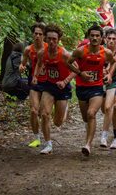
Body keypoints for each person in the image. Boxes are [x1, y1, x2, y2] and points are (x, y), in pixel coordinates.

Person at [66, 24, 115, 156]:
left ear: (101, 38)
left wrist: (108, 73)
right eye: (92, 35)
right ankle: (89, 135)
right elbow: (68, 63)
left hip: (97, 88)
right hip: (82, 88)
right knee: (86, 118)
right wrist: (80, 73)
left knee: (91, 113)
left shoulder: (106, 53)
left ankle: (88, 145)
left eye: (97, 36)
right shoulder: (80, 51)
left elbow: (113, 61)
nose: (94, 38)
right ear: (88, 36)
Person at [32, 24, 76, 154]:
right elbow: (39, 64)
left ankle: (65, 109)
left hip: (63, 88)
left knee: (57, 122)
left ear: (58, 40)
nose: (51, 42)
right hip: (49, 85)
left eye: (54, 39)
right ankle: (48, 144)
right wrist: (35, 76)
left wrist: (65, 81)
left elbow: (76, 70)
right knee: (45, 114)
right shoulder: (42, 53)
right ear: (45, 38)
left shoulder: (65, 54)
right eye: (49, 39)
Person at [19, 22, 47, 148]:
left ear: (44, 36)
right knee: (33, 111)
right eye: (35, 33)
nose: (37, 36)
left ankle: (47, 134)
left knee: (43, 112)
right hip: (34, 81)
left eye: (40, 34)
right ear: (32, 34)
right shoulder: (28, 49)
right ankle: (36, 138)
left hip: (47, 81)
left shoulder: (48, 47)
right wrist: (21, 66)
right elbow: (23, 63)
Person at [100, 28, 116, 148]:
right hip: (100, 83)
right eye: (109, 39)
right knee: (104, 109)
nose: (111, 41)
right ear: (105, 39)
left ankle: (104, 136)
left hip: (115, 81)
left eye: (114, 39)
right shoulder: (100, 51)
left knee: (109, 107)